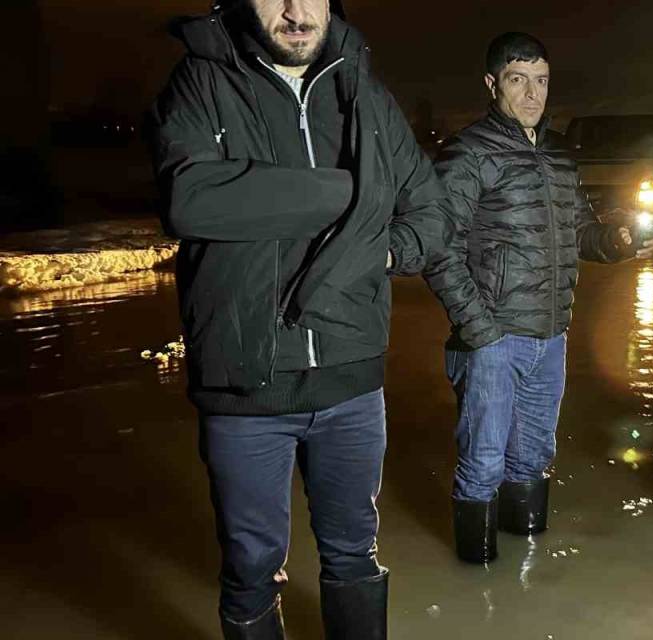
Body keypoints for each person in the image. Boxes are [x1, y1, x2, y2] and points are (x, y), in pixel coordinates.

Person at [146, 0, 441, 636]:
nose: (293, 10)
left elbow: (431, 208)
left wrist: (387, 248)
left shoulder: (364, 90)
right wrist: (357, 197)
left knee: (354, 556)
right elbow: (192, 198)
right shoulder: (201, 80)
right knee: (250, 570)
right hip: (244, 383)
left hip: (352, 382)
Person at [420, 32, 653, 564]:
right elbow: (438, 249)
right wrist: (479, 328)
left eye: (541, 81)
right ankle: (475, 584)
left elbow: (579, 232)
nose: (532, 95)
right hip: (492, 341)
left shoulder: (557, 155)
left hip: (550, 337)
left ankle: (521, 586)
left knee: (532, 459)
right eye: (517, 79)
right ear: (492, 84)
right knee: (482, 465)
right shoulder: (467, 153)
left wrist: (616, 242)